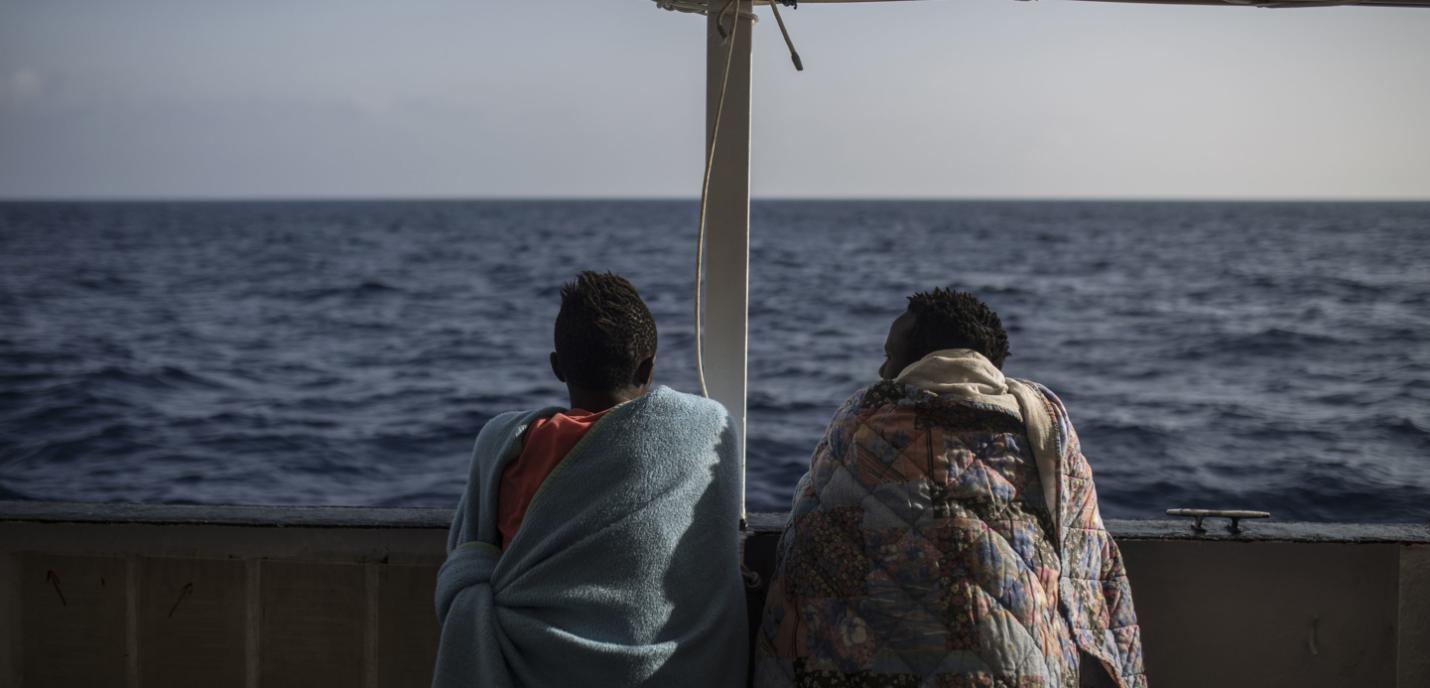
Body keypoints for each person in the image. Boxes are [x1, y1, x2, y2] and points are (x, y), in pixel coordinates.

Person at [754, 287, 1146, 688]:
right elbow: (1087, 554)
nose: (882, 371)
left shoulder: (863, 421)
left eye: (891, 356)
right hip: (1021, 665)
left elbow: (812, 520)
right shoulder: (1044, 429)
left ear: (921, 361)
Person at [433, 271, 748, 688]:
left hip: (532, 666)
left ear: (557, 368)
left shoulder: (505, 443)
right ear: (648, 367)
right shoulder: (708, 426)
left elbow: (471, 548)